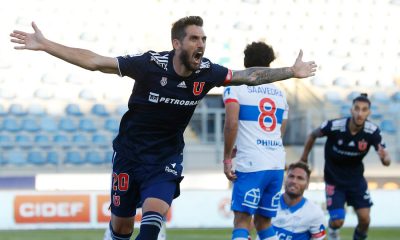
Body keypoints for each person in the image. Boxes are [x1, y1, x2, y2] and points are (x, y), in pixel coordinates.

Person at [10, 16, 316, 240]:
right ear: (177, 43)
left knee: (153, 223)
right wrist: (45, 44)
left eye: (204, 39)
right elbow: (94, 62)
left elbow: (248, 77)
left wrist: (291, 71)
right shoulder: (149, 65)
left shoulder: (207, 71)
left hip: (165, 160)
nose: (201, 44)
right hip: (129, 156)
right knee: (122, 229)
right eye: (195, 39)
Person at [299, 93, 391, 240]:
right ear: (351, 110)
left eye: (364, 109)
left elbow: (386, 161)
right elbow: (313, 134)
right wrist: (304, 158)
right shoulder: (334, 126)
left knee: (365, 219)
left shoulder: (372, 131)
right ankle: (334, 232)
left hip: (356, 181)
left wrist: (385, 158)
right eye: (357, 108)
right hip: (334, 180)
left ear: (369, 112)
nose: (360, 113)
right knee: (337, 221)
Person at [223, 41, 289, 240]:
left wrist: (227, 158)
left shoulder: (236, 87)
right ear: (270, 63)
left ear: (245, 62)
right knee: (263, 223)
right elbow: (280, 131)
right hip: (276, 163)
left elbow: (231, 124)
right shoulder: (281, 94)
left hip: (251, 163)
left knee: (242, 221)